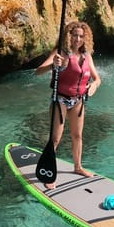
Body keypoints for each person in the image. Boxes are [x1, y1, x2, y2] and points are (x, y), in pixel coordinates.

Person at [35, 21, 101, 187]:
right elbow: (38, 71)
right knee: (56, 138)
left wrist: (94, 85)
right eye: (74, 35)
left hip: (78, 101)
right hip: (60, 100)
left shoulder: (87, 56)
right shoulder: (61, 53)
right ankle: (48, 173)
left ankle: (78, 167)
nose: (77, 39)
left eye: (81, 36)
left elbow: (97, 78)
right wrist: (53, 65)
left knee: (77, 136)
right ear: (69, 36)